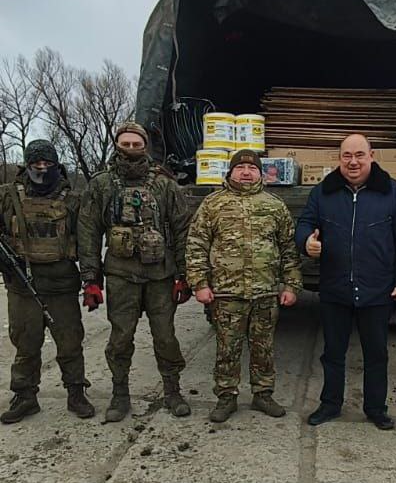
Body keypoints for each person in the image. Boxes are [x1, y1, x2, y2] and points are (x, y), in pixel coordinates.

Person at [295, 133, 396, 429]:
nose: (353, 162)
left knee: (376, 354)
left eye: (359, 155)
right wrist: (306, 242)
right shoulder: (323, 193)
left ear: (371, 156)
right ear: (339, 159)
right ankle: (330, 404)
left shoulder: (393, 193)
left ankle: (376, 408)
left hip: (377, 289)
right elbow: (305, 223)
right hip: (335, 287)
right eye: (347, 156)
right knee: (332, 353)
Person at [78, 121, 192, 422]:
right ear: (117, 145)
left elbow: (182, 229)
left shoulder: (165, 184)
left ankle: (172, 391)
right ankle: (120, 394)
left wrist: (184, 275)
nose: (130, 149)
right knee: (120, 338)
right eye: (125, 144)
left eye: (136, 144)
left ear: (145, 146)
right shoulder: (101, 184)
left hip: (160, 276)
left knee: (165, 337)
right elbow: (88, 231)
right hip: (120, 275)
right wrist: (90, 279)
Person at [186, 148, 303, 422]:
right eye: (241, 168)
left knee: (263, 348)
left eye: (252, 168)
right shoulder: (213, 204)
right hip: (227, 293)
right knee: (227, 348)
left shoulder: (274, 206)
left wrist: (291, 285)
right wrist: (199, 283)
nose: (247, 173)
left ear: (261, 174)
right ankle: (226, 396)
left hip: (265, 292)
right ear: (231, 172)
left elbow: (288, 248)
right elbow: (196, 245)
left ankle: (263, 394)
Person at [0, 140, 94, 424]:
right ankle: (25, 396)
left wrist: (91, 280)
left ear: (56, 164)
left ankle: (76, 393)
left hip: (61, 285)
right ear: (26, 165)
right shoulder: (8, 197)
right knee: (26, 344)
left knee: (70, 342)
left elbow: (87, 242)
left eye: (47, 163)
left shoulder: (72, 200)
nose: (41, 168)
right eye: (36, 163)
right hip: (22, 286)